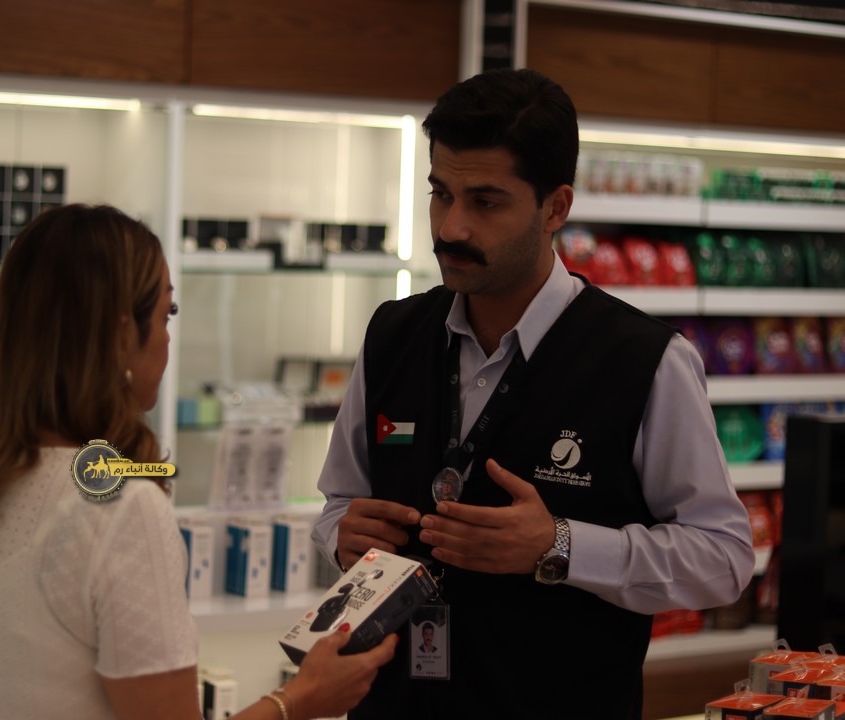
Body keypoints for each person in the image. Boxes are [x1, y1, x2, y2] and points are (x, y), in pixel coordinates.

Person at [310, 68, 755, 719]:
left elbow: (724, 558)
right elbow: (336, 504)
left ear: (555, 208)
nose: (451, 227)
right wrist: (341, 536)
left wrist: (560, 546)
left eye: (485, 202)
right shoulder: (392, 334)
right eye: (441, 194)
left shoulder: (646, 361)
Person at [0, 204, 397, 720]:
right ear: (120, 337)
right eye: (165, 314)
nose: (167, 339)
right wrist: (297, 699)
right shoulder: (118, 507)